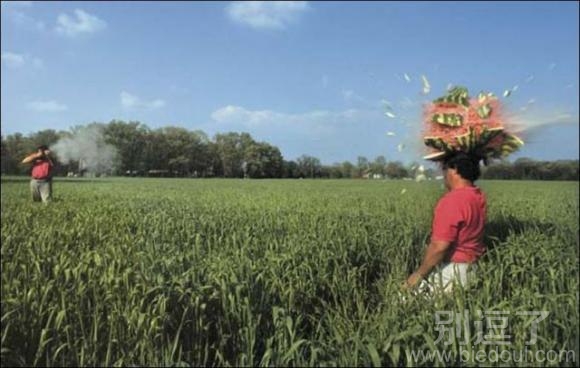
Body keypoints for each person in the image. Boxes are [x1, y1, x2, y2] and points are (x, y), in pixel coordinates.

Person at [403, 152, 486, 293]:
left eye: (444, 169)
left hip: (451, 273)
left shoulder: (452, 201)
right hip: (471, 270)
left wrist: (416, 276)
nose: (443, 177)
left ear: (454, 170)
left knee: (402, 302)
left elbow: (439, 247)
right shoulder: (477, 196)